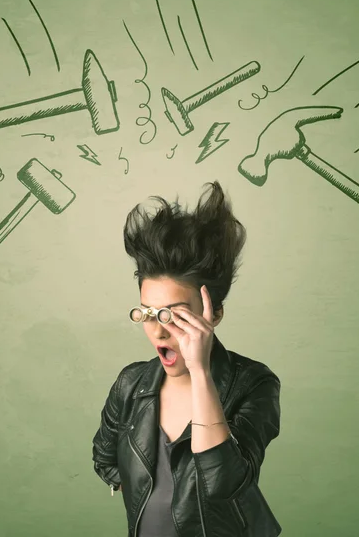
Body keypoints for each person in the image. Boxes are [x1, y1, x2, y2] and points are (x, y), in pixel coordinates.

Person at [92, 181, 282, 537]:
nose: (159, 331)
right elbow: (105, 456)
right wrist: (146, 496)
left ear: (215, 314)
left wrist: (200, 373)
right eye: (148, 313)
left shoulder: (254, 383)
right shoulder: (132, 383)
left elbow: (224, 485)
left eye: (175, 315)